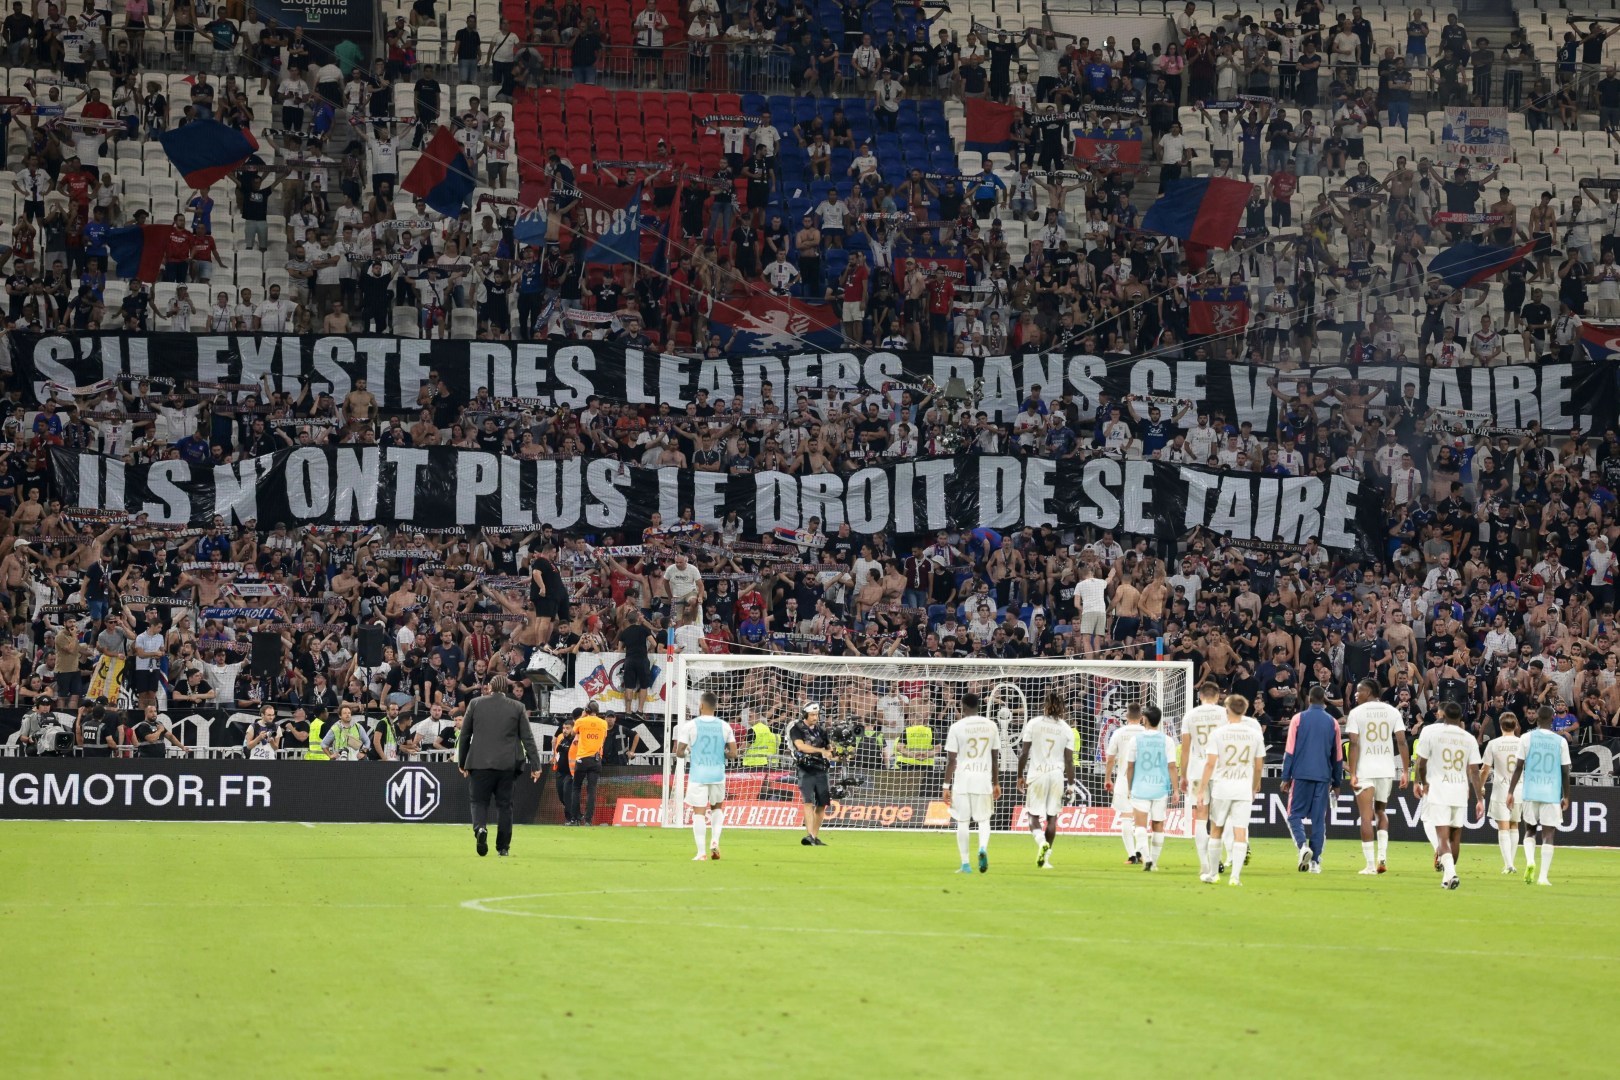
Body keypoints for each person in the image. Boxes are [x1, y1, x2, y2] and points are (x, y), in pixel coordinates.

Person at [457, 673, 541, 857]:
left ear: (490, 688)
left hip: (479, 764)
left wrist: (462, 762)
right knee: (505, 806)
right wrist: (536, 765)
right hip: (507, 766)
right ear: (507, 689)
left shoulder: (475, 704)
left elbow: (464, 735)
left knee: (479, 802)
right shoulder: (518, 707)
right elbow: (528, 738)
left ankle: (480, 829)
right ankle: (503, 847)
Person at [1196, 693, 1266, 886]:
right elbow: (1259, 765)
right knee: (1240, 831)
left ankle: (1213, 874)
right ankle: (1235, 877)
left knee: (1216, 829)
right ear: (1244, 710)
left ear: (1227, 710)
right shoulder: (1254, 734)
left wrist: (1202, 789)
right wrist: (1254, 786)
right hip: (1243, 787)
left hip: (1222, 787)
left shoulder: (1218, 733)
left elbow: (1210, 764)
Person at [1343, 677, 1411, 875]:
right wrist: (1405, 771)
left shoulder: (1356, 713)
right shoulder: (1392, 711)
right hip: (1386, 769)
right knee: (1381, 812)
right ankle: (1383, 856)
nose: (1356, 694)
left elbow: (1354, 744)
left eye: (1359, 691)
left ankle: (1371, 865)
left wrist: (1353, 772)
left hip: (1365, 769)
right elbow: (1401, 741)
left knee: (1365, 817)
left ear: (1370, 692)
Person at [1413, 701, 1483, 890]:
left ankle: (1450, 873)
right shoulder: (1468, 738)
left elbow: (1420, 762)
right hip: (1460, 790)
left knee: (1442, 838)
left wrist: (1422, 782)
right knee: (1455, 838)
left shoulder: (1430, 732)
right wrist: (1480, 799)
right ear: (1461, 718)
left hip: (1438, 789)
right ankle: (1447, 876)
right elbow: (1475, 771)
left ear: (1443, 716)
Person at [1508, 704, 1573, 886]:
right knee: (1548, 833)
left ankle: (1530, 861)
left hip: (1530, 791)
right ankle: (1543, 877)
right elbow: (1565, 771)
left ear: (1536, 719)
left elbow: (1519, 767)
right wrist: (1566, 796)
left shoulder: (1526, 738)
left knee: (1529, 830)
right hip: (1551, 793)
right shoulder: (1560, 741)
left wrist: (1511, 791)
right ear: (1553, 719)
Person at [1280, 685, 1343, 874]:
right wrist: (1337, 782)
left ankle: (1302, 847)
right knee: (1318, 820)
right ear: (1324, 699)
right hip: (1323, 777)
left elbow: (1289, 750)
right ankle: (1315, 862)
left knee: (1293, 816)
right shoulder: (1333, 723)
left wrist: (1285, 777)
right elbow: (1337, 756)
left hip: (1301, 775)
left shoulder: (1298, 719)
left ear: (1308, 699)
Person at [674, 690, 739, 861]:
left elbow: (679, 752)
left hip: (698, 775)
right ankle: (715, 841)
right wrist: (721, 754)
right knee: (717, 808)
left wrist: (689, 753)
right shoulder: (725, 726)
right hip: (718, 774)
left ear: (701, 705)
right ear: (716, 707)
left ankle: (701, 852)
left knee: (699, 813)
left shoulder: (690, 725)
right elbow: (733, 753)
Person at [943, 691, 1001, 874]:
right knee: (984, 820)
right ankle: (982, 848)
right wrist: (996, 783)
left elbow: (951, 760)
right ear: (978, 706)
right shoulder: (991, 726)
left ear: (963, 706)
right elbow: (994, 757)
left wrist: (946, 786)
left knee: (962, 821)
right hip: (983, 778)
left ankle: (965, 864)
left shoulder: (957, 727)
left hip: (962, 779)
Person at [1015, 689, 1074, 870]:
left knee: (1033, 816)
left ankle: (1041, 843)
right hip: (1056, 775)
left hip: (1037, 774)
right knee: (1052, 818)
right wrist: (1071, 785)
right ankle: (1046, 858)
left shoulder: (1034, 723)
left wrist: (1019, 775)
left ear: (1044, 705)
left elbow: (1024, 752)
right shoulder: (1066, 729)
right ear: (1062, 708)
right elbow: (1069, 760)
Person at [1179, 681, 1227, 881]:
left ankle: (1204, 863)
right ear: (1217, 696)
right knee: (1218, 818)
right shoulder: (1224, 714)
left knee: (1200, 815)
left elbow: (1185, 747)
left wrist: (1183, 775)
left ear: (1200, 696)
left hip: (1198, 770)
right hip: (1220, 769)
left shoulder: (1190, 715)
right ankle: (1217, 863)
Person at [1123, 703, 1178, 872]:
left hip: (1140, 787)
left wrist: (1130, 787)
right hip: (1160, 788)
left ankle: (1145, 857)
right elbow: (1172, 766)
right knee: (1158, 825)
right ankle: (1153, 862)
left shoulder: (1136, 739)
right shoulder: (1167, 740)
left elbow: (1130, 766)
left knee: (1140, 826)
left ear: (1144, 719)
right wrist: (1175, 790)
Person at [1480, 711, 1524, 874]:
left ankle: (1509, 864)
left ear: (1500, 725)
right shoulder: (1522, 743)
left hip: (1501, 790)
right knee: (1514, 825)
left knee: (1503, 827)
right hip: (1519, 789)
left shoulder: (1494, 744)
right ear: (1516, 726)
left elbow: (1485, 769)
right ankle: (1510, 863)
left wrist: (1480, 786)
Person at [1103, 702, 1146, 863]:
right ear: (1141, 717)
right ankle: (1141, 852)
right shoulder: (1147, 733)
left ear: (1126, 716)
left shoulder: (1119, 733)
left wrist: (1108, 779)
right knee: (1142, 817)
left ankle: (1132, 855)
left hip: (1123, 779)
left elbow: (1110, 758)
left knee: (1126, 817)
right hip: (1144, 780)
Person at [788, 701, 834, 846]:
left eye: (817, 714)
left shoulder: (822, 731)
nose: (815, 717)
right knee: (808, 802)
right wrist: (821, 751)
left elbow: (830, 750)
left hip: (822, 770)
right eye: (812, 714)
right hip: (805, 769)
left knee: (822, 804)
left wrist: (840, 753)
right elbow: (800, 746)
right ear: (805, 714)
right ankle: (810, 834)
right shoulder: (797, 729)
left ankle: (813, 836)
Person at [568, 701, 610, 826]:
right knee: (592, 790)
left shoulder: (581, 721)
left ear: (586, 710)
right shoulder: (603, 723)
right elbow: (603, 738)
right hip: (596, 759)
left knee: (576, 788)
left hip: (582, 758)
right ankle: (588, 820)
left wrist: (582, 716)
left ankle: (575, 819)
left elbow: (572, 734)